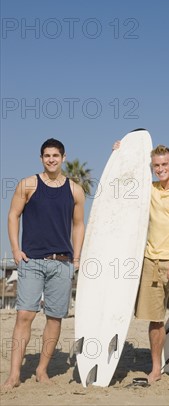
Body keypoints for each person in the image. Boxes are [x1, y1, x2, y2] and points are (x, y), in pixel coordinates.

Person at [113, 141, 169, 387]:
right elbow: (122, 183)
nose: (160, 169)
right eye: (156, 165)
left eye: (164, 164)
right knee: (155, 319)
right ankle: (156, 369)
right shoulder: (149, 189)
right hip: (151, 261)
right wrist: (122, 153)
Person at [1, 138, 85, 390]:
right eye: (47, 155)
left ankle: (41, 370)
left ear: (63, 157)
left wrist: (77, 258)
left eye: (55, 155)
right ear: (41, 158)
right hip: (32, 261)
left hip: (61, 262)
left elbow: (79, 224)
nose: (51, 159)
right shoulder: (28, 184)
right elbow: (13, 215)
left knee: (55, 318)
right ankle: (14, 374)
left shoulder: (74, 190)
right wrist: (16, 249)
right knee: (24, 315)